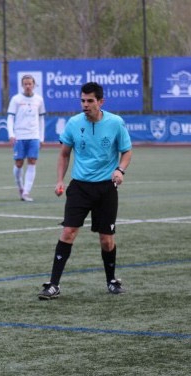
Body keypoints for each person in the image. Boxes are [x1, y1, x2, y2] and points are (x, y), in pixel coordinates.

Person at [38, 82, 132, 300]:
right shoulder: (73, 123)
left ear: (101, 102)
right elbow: (64, 154)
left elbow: (126, 152)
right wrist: (60, 180)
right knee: (68, 232)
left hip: (106, 189)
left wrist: (120, 170)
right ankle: (53, 284)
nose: (85, 105)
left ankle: (111, 281)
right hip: (79, 187)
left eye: (90, 101)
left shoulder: (116, 123)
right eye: (83, 100)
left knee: (106, 240)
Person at [6, 74, 46, 201]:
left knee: (32, 161)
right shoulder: (16, 99)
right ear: (22, 85)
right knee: (18, 163)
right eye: (25, 84)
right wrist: (11, 134)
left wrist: (41, 137)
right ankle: (21, 187)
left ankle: (26, 192)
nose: (28, 86)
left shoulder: (39, 99)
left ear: (34, 85)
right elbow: (10, 117)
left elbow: (41, 119)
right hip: (20, 136)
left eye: (30, 84)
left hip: (34, 135)